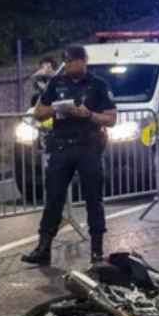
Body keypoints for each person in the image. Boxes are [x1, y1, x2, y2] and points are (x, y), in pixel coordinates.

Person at [21, 46, 117, 265]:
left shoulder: (98, 84)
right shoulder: (56, 83)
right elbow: (38, 112)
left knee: (94, 198)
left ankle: (96, 251)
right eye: (66, 61)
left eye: (73, 61)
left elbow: (111, 119)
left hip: (88, 147)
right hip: (61, 148)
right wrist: (56, 109)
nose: (69, 65)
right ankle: (43, 248)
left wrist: (89, 114)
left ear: (84, 60)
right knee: (53, 198)